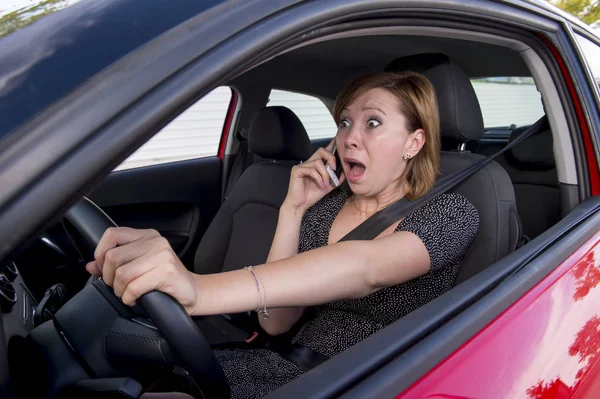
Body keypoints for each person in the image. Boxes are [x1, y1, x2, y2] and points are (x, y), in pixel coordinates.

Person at [87, 71, 480, 398]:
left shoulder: (450, 213)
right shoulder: (325, 209)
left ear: (414, 142)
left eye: (372, 123)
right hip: (283, 364)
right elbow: (275, 323)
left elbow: (365, 267)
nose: (349, 138)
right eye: (344, 122)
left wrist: (198, 289)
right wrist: (292, 210)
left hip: (364, 380)